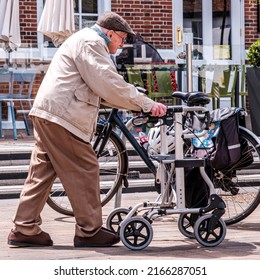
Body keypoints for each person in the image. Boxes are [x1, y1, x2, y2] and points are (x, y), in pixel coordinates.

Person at [7, 11, 167, 248]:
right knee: (85, 168)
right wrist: (146, 104)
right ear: (109, 33)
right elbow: (107, 82)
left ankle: (24, 228)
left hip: (48, 112)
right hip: (63, 116)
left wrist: (132, 102)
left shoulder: (82, 40)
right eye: (121, 39)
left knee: (42, 172)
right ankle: (89, 231)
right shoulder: (92, 43)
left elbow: (98, 86)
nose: (122, 45)